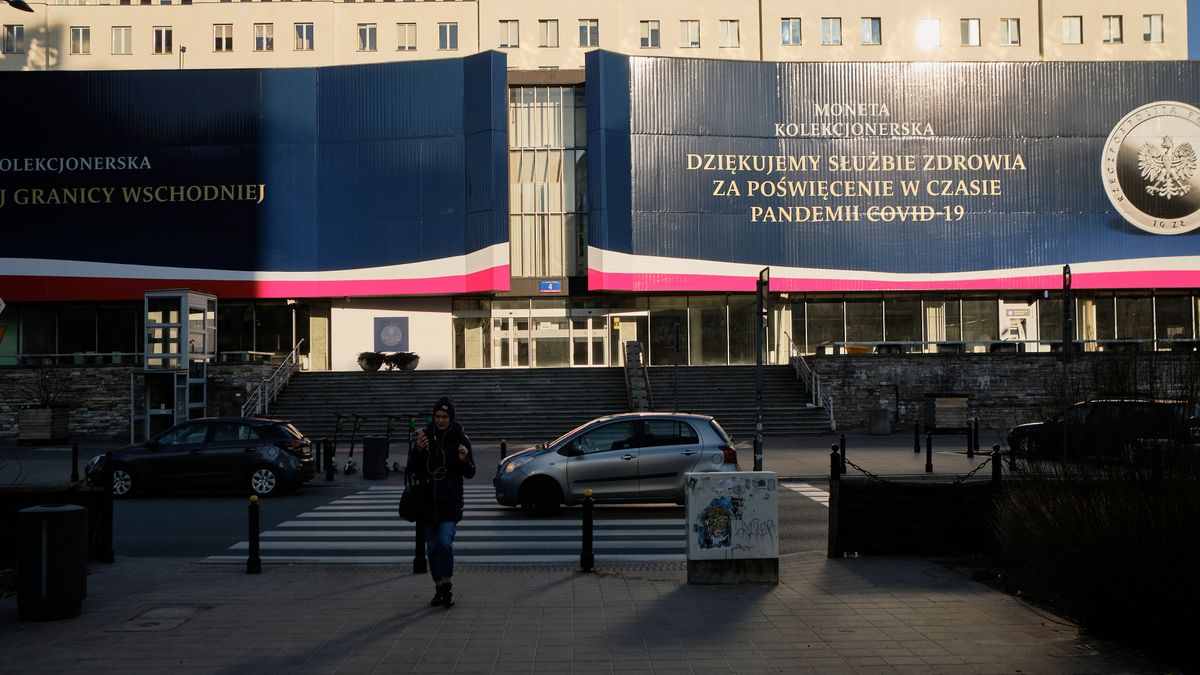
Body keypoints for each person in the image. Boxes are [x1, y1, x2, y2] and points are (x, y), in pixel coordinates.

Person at [409, 396, 475, 608]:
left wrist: (464, 460)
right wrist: (417, 451)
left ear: (451, 418)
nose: (440, 420)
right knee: (433, 548)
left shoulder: (460, 438)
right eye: (437, 416)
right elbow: (412, 468)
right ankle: (439, 587)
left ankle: (447, 585)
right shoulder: (425, 437)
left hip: (450, 501)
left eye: (445, 416)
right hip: (427, 501)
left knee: (445, 543)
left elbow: (471, 472)